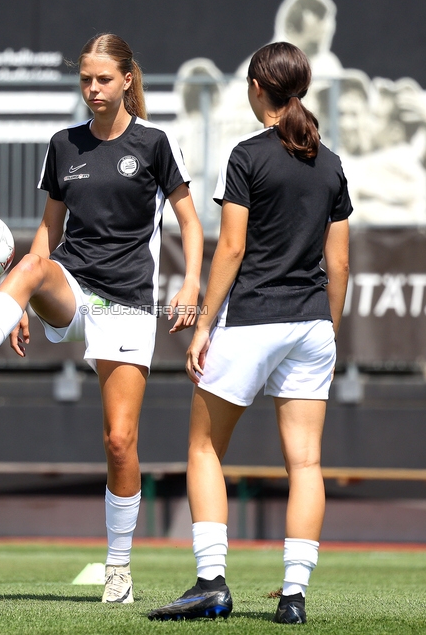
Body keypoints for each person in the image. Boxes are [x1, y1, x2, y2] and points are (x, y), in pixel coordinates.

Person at [0, 33, 204, 604]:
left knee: (118, 440)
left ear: (128, 79)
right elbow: (46, 233)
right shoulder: (63, 145)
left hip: (129, 303)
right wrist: (22, 298)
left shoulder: (156, 144)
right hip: (74, 287)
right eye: (85, 79)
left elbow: (191, 221)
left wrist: (191, 280)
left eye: (103, 79)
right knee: (33, 263)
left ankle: (118, 568)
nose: (92, 89)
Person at [147, 41, 350, 624]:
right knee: (306, 464)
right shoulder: (331, 163)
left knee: (204, 447)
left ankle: (211, 582)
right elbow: (338, 266)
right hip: (312, 323)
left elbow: (231, 248)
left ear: (258, 87)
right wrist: (330, 332)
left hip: (256, 317)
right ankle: (293, 597)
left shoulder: (246, 156)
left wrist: (203, 323)